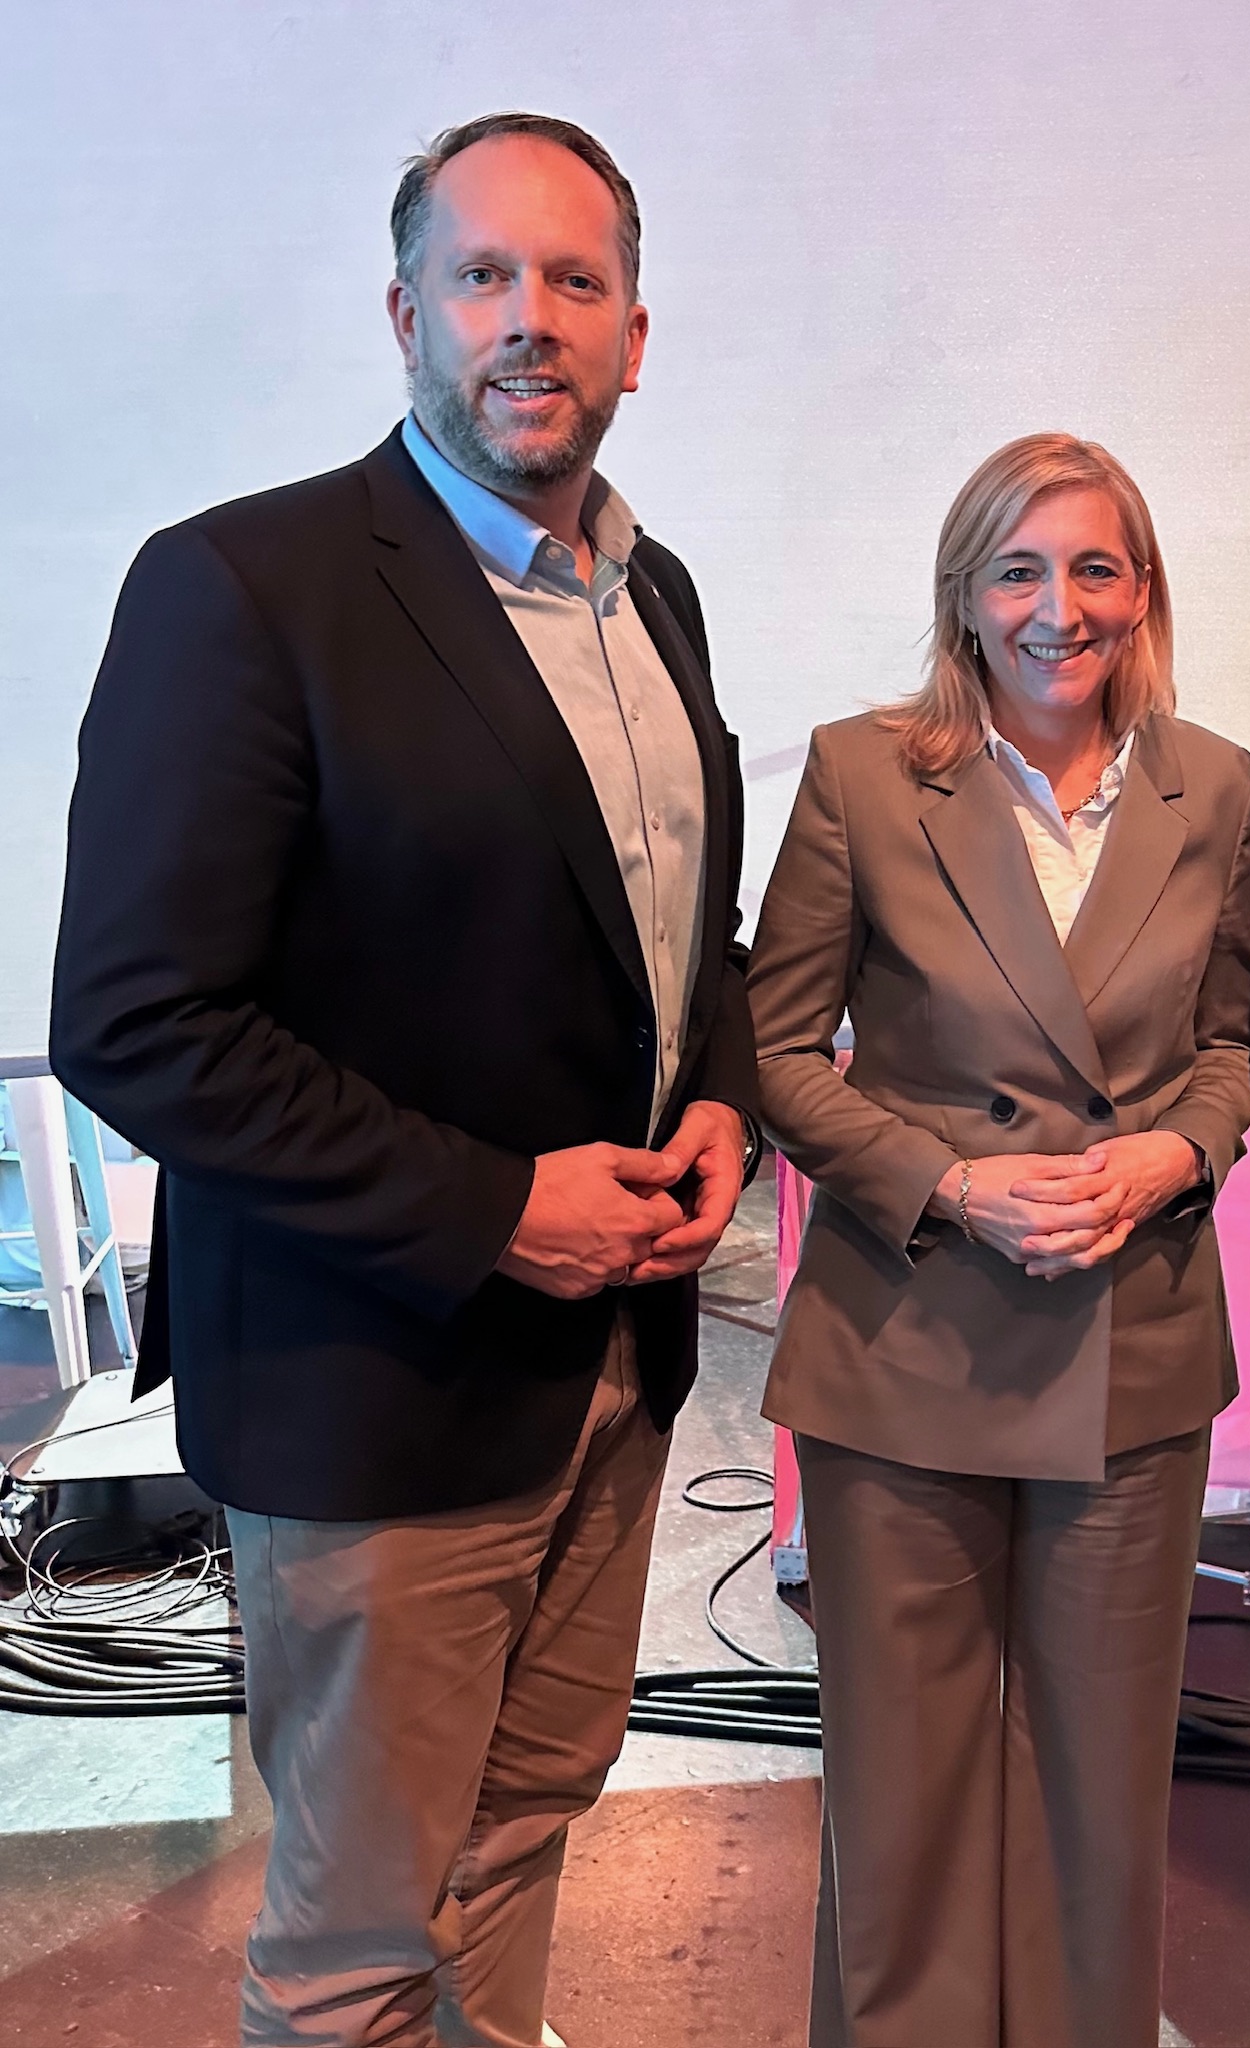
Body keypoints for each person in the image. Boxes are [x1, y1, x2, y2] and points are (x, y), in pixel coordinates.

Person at [49, 113, 759, 2048]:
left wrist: (722, 1093)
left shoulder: (655, 593)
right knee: (358, 1947)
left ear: (634, 334)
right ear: (405, 313)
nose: (532, 320)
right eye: (484, 275)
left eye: (576, 281)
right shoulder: (244, 586)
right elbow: (139, 1018)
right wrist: (495, 1208)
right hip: (376, 1387)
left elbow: (677, 935)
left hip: (614, 1365)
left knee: (524, 1830)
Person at [748, 432, 1250, 2048]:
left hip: (1132, 1343)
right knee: (903, 1801)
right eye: (1019, 570)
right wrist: (951, 1184)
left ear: (1142, 590)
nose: (1060, 607)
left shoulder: (1214, 786)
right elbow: (775, 1054)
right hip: (909, 1343)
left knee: (1100, 1801)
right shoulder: (862, 773)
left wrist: (1173, 1155)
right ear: (964, 595)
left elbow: (1232, 1044)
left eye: (1096, 567)